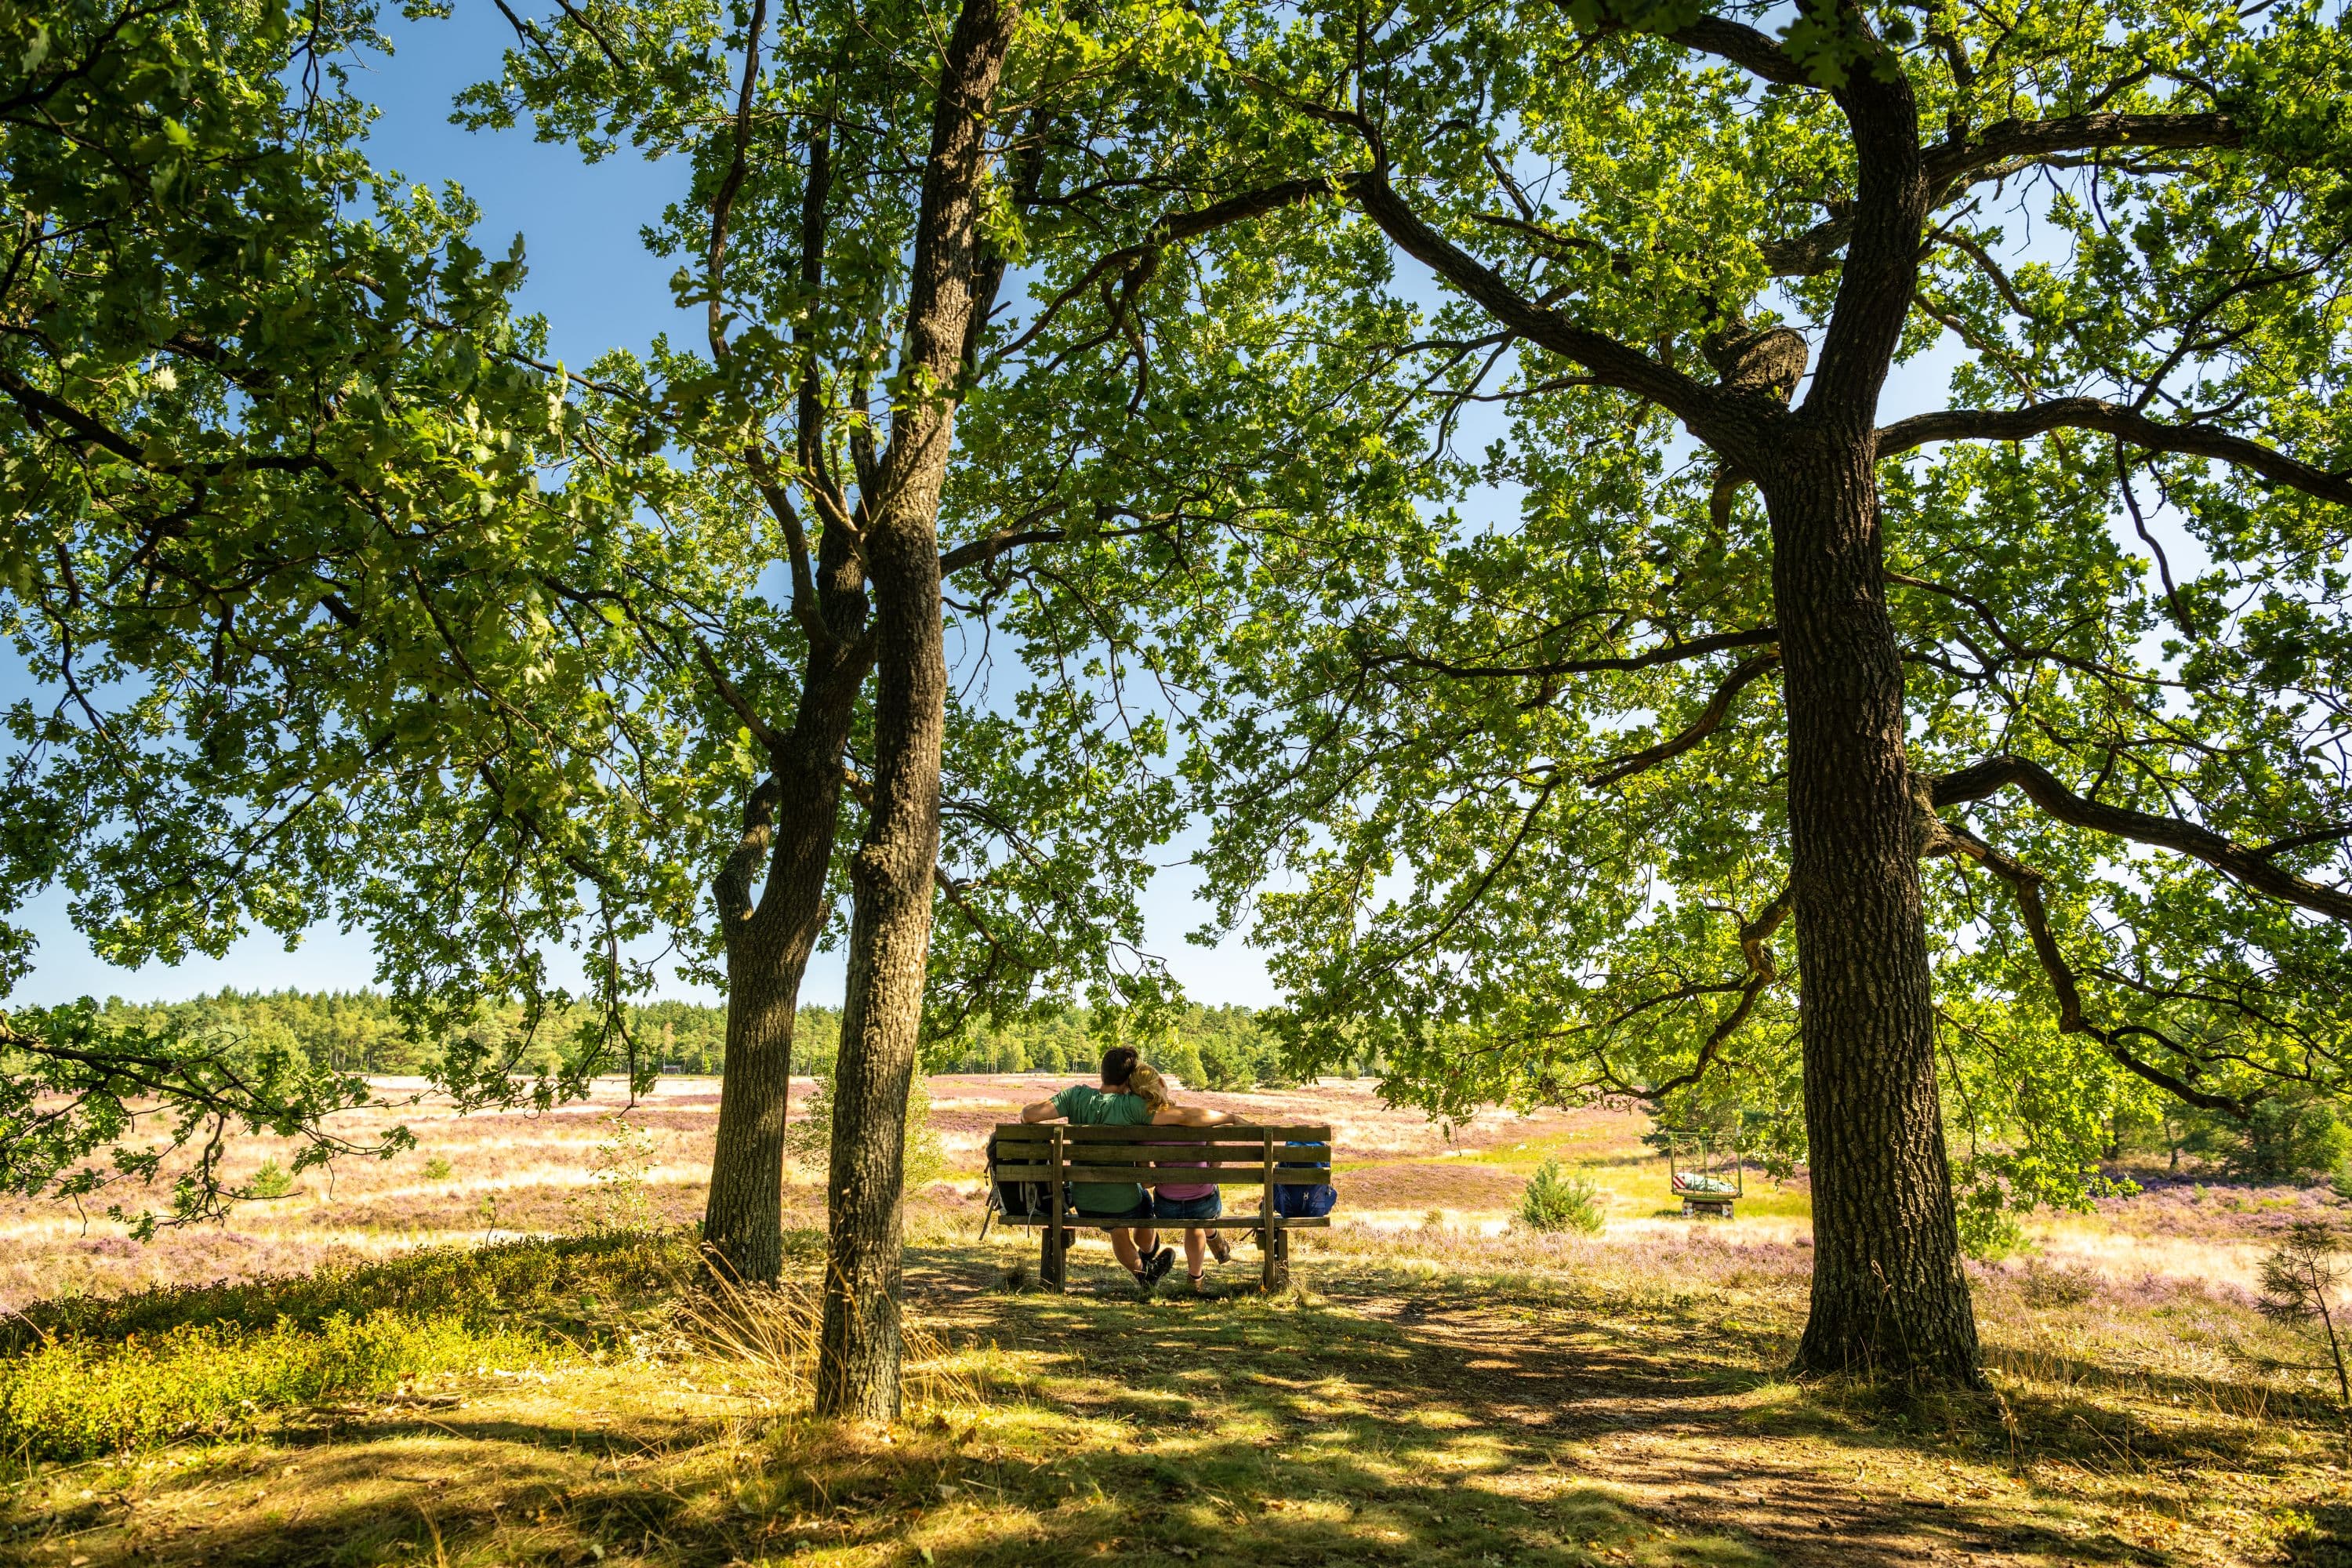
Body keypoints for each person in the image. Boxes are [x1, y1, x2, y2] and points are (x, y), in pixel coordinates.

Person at [1019, 1045, 1176, 1290]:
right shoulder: (1134, 1105)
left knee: (1117, 1229)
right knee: (1144, 1204)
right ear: (1128, 1079)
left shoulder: (1075, 1096)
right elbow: (1181, 1116)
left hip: (1084, 1199)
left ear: (1103, 1073)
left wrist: (1023, 1113)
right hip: (1125, 1201)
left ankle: (1146, 1273)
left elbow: (1030, 1114)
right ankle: (1148, 1255)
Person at [1127, 1063, 1243, 1292]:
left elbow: (1146, 1181)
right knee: (1197, 1219)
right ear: (1162, 1083)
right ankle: (1196, 1278)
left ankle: (1214, 1238)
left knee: (1195, 1216)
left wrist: (1164, 1177)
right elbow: (1216, 1159)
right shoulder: (1198, 1119)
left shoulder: (1145, 1129)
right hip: (1204, 1204)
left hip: (1167, 1206)